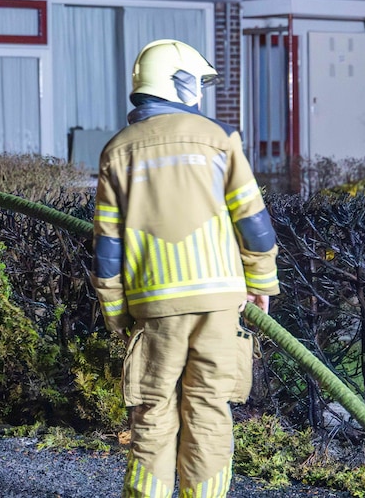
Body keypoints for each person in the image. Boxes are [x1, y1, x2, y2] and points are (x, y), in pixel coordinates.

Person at [91, 39, 279, 497]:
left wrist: (116, 310)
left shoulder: (117, 151)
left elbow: (107, 248)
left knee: (152, 413)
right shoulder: (220, 139)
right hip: (219, 303)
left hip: (155, 307)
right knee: (210, 410)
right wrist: (261, 282)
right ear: (182, 84)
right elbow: (254, 223)